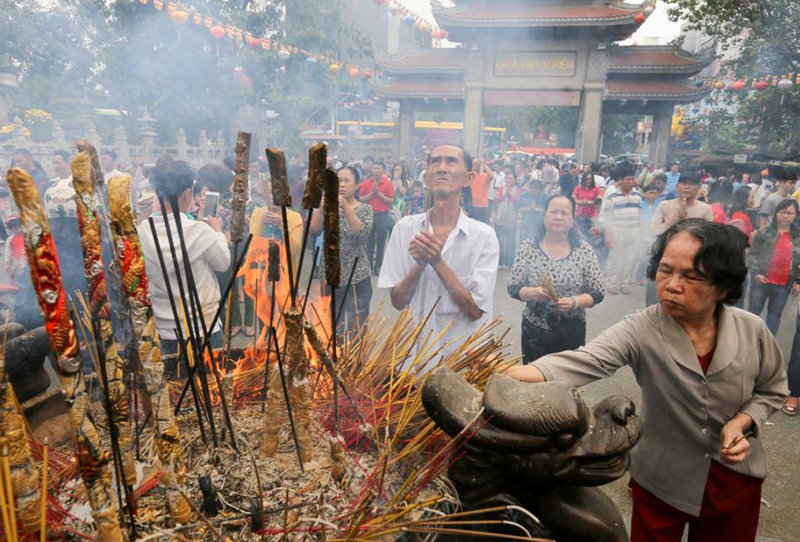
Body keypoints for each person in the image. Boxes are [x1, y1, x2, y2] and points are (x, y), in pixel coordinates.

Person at [506, 218, 788, 542]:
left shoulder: (753, 330)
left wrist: (743, 421)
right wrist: (504, 374)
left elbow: (772, 389)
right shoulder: (642, 328)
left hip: (735, 482)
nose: (671, 284)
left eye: (691, 276)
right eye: (665, 270)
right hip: (661, 481)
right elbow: (583, 360)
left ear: (723, 286)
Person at [378, 144, 499, 364]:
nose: (441, 168)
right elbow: (397, 300)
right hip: (412, 360)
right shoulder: (405, 228)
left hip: (461, 362)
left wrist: (437, 262)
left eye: (451, 161)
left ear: (469, 178)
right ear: (426, 177)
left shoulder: (484, 236)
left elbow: (474, 311)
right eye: (435, 161)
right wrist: (420, 265)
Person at [137, 158, 229, 374]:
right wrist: (217, 231)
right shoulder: (200, 231)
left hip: (164, 328)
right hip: (203, 325)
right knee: (211, 393)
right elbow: (223, 263)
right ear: (187, 193)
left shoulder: (143, 230)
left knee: (176, 394)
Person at [508, 194, 604, 364]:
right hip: (535, 330)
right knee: (534, 381)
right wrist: (532, 292)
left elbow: (597, 291)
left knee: (566, 383)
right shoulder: (528, 247)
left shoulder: (584, 250)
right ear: (544, 216)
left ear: (572, 219)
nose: (559, 217)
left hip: (571, 329)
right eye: (553, 212)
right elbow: (514, 286)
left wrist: (574, 302)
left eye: (565, 213)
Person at [311, 166, 373, 333]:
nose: (342, 185)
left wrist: (345, 207)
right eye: (338, 181)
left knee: (356, 327)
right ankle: (334, 356)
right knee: (333, 325)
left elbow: (361, 233)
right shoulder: (328, 208)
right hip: (331, 277)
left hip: (357, 277)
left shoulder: (365, 209)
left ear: (357, 185)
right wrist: (320, 208)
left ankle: (356, 358)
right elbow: (313, 229)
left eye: (347, 180)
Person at [747, 199, 800, 335]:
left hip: (783, 285)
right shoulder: (764, 233)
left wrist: (799, 282)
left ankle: (768, 344)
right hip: (761, 281)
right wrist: (756, 274)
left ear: (796, 216)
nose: (785, 216)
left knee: (774, 316)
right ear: (776, 213)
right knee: (753, 313)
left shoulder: (798, 237)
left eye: (790, 213)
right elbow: (752, 255)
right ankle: (749, 339)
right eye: (782, 212)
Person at [601, 163, 643, 295]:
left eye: (633, 179)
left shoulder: (637, 195)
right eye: (628, 179)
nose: (631, 182)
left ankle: (624, 283)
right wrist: (608, 235)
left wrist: (641, 232)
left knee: (629, 259)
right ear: (621, 179)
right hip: (617, 231)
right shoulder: (612, 196)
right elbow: (607, 217)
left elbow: (640, 214)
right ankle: (612, 283)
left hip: (633, 231)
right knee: (615, 259)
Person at [360, 161, 395, 275]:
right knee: (369, 243)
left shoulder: (388, 184)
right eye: (375, 168)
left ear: (383, 170)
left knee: (381, 243)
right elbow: (361, 199)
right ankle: (368, 267)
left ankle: (378, 267)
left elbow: (390, 201)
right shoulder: (366, 183)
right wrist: (372, 193)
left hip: (382, 216)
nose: (376, 170)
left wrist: (378, 193)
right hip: (369, 215)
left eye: (379, 168)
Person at [492, 171, 521, 268]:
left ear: (515, 180)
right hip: (500, 218)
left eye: (511, 178)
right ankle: (500, 262)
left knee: (510, 241)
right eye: (507, 178)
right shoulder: (500, 189)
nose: (509, 180)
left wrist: (510, 195)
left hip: (512, 219)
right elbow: (496, 200)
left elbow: (518, 203)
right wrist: (505, 194)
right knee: (499, 241)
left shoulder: (518, 191)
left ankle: (510, 263)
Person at [572, 171, 602, 238]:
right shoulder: (578, 188)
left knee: (592, 235)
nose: (589, 181)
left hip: (592, 216)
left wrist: (589, 202)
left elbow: (599, 200)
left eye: (590, 179)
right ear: (584, 179)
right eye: (587, 179)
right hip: (580, 215)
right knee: (580, 234)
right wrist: (581, 202)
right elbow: (573, 199)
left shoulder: (596, 188)